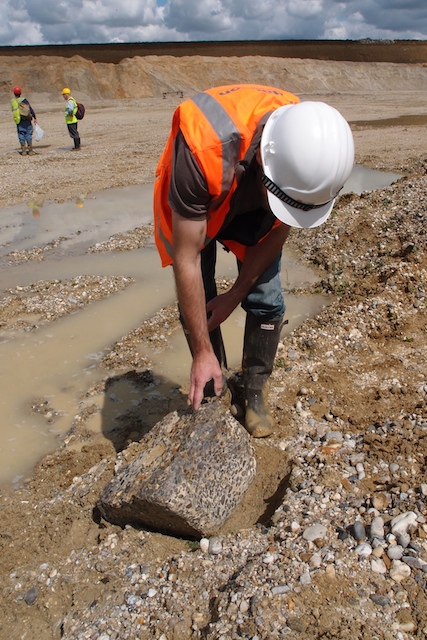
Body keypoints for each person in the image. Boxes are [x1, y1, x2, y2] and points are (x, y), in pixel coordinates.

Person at [154, 84, 354, 437]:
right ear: (263, 160)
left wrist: (236, 295)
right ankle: (214, 384)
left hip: (256, 195)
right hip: (202, 200)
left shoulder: (311, 147)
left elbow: (280, 228)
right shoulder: (202, 146)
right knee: (199, 293)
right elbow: (186, 258)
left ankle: (254, 392)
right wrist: (201, 350)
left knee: (266, 299)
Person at [11, 85, 37, 156]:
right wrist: (34, 117)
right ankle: (30, 150)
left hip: (19, 121)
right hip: (27, 119)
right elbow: (30, 109)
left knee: (21, 134)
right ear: (20, 93)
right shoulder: (24, 100)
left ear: (14, 93)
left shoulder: (13, 102)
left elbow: (13, 110)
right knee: (28, 133)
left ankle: (23, 151)